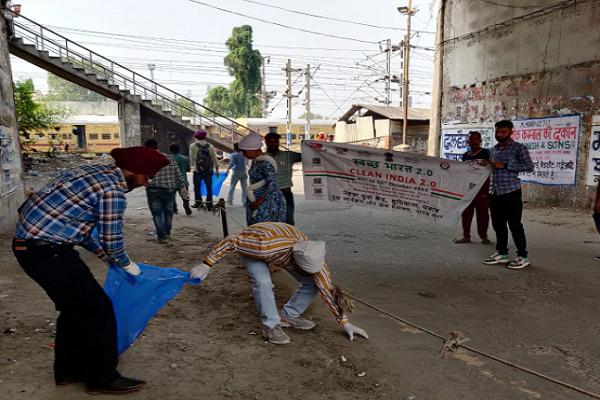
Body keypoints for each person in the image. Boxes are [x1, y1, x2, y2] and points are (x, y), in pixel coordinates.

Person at [12, 146, 168, 395]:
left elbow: (77, 225)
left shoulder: (89, 172)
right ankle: (102, 378)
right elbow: (111, 237)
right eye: (146, 177)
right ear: (134, 170)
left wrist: (103, 257)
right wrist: (124, 262)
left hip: (34, 247)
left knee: (74, 309)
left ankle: (68, 371)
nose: (146, 183)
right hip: (47, 251)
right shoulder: (112, 191)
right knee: (99, 311)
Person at [190, 222, 369, 345]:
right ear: (295, 262)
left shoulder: (314, 257)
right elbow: (232, 241)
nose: (311, 273)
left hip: (284, 244)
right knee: (263, 282)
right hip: (259, 241)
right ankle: (270, 325)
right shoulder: (261, 246)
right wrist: (207, 263)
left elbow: (326, 289)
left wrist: (345, 323)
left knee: (314, 283)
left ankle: (289, 315)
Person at [483, 120, 534, 269]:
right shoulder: (493, 150)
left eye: (503, 132)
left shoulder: (519, 149)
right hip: (495, 192)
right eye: (498, 132)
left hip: (511, 192)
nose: (500, 135)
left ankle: (523, 256)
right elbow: (491, 168)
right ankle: (502, 253)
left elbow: (529, 167)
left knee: (515, 225)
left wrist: (505, 165)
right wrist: (484, 164)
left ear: (511, 131)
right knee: (498, 224)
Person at [144, 140, 188, 243]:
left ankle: (161, 236)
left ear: (145, 148)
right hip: (169, 190)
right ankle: (167, 232)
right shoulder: (169, 157)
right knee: (168, 212)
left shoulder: (146, 160)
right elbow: (178, 173)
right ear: (157, 146)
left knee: (157, 213)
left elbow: (142, 176)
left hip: (153, 190)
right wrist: (182, 187)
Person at [239, 132, 286, 226]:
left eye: (244, 152)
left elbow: (272, 183)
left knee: (265, 229)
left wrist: (259, 201)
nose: (243, 155)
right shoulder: (256, 161)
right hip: (257, 201)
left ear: (252, 150)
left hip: (267, 203)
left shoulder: (265, 162)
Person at [454, 131, 491, 244]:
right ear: (467, 142)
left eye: (476, 139)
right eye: (471, 140)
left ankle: (484, 236)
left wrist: (487, 163)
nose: (473, 142)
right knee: (466, 212)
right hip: (468, 188)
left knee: (483, 213)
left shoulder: (487, 153)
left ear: (480, 141)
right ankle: (466, 236)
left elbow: (493, 166)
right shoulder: (466, 155)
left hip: (482, 188)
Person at [265, 132, 302, 225]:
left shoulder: (288, 155)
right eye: (270, 141)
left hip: (285, 193)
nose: (273, 143)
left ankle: (289, 239)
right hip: (267, 195)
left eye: (275, 141)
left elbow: (307, 155)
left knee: (288, 221)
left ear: (278, 142)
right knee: (269, 222)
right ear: (266, 142)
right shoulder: (262, 157)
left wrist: (308, 145)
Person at [189, 130, 219, 210]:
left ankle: (198, 202)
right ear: (205, 137)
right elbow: (214, 158)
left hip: (197, 170)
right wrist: (217, 169)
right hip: (209, 170)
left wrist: (192, 165)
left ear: (196, 136)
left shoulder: (193, 145)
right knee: (209, 187)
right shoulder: (210, 146)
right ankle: (209, 203)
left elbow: (192, 159)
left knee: (197, 187)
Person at [169, 143, 192, 216]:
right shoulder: (184, 159)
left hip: (171, 180)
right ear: (179, 150)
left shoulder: (168, 159)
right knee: (185, 195)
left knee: (172, 196)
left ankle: (174, 209)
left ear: (170, 150)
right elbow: (188, 169)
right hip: (183, 180)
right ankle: (186, 204)